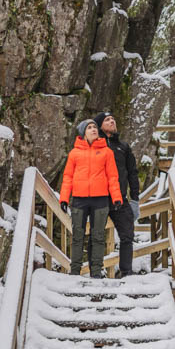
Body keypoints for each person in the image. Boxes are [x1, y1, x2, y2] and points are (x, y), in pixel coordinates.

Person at [59, 119, 124, 277]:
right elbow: (67, 177)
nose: (93, 129)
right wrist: (64, 199)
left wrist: (116, 197)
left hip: (100, 200)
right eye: (89, 127)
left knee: (98, 236)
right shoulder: (74, 153)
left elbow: (112, 177)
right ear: (83, 132)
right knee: (77, 236)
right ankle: (75, 271)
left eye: (95, 127)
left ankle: (96, 273)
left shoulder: (107, 152)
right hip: (80, 200)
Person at [93, 111, 141, 278]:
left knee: (127, 235)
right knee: (96, 235)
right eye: (107, 120)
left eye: (113, 118)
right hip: (98, 199)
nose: (112, 121)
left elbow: (132, 173)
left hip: (119, 200)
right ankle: (95, 272)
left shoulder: (123, 147)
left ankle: (126, 272)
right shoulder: (93, 145)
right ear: (100, 126)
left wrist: (135, 199)